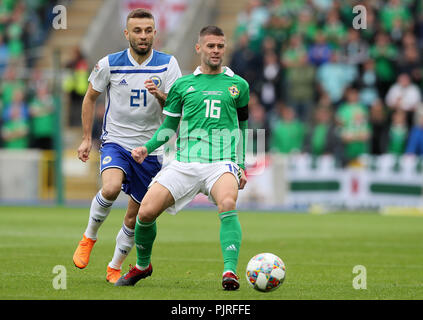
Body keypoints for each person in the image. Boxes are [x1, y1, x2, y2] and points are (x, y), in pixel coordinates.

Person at [115, 26, 249, 291]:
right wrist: (146, 147)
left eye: (220, 46)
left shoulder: (239, 85)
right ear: (199, 48)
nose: (216, 51)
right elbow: (168, 128)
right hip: (184, 161)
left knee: (227, 202)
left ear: (225, 48)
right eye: (210, 46)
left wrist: (241, 164)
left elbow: (242, 127)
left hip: (221, 162)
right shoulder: (183, 85)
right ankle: (143, 265)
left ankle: (230, 272)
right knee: (146, 212)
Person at [72, 8, 182, 284]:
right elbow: (89, 98)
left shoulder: (168, 65)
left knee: (136, 216)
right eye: (137, 31)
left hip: (151, 150)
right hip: (116, 142)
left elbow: (177, 109)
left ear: (155, 33)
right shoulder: (109, 63)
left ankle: (114, 265)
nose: (143, 36)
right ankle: (89, 237)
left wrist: (161, 96)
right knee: (109, 188)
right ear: (127, 34)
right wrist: (87, 138)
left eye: (148, 31)